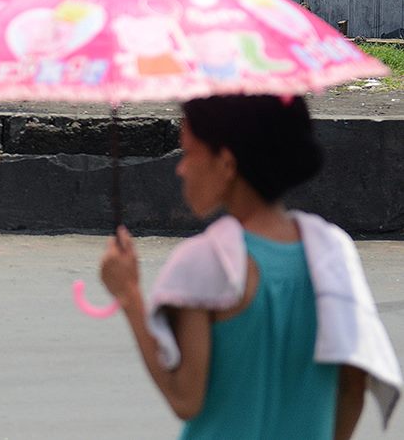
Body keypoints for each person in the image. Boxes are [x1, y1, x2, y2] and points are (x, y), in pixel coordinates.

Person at [99, 95, 400, 440]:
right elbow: (352, 387)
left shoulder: (204, 260)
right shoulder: (333, 253)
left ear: (226, 164)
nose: (181, 169)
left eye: (189, 153)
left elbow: (185, 398)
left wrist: (129, 295)